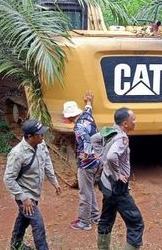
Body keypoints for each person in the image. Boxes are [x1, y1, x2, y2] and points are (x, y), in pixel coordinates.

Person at [4, 119, 62, 250]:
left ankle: (16, 245)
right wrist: (24, 198)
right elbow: (8, 179)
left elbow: (47, 164)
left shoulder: (41, 146)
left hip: (35, 193)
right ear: (30, 136)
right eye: (39, 134)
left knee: (23, 219)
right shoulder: (17, 153)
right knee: (38, 224)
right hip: (24, 195)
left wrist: (55, 182)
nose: (42, 136)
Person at [97, 107, 144, 250]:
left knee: (106, 219)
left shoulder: (110, 131)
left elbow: (94, 140)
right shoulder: (122, 138)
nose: (136, 122)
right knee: (136, 223)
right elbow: (112, 156)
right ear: (125, 123)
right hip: (118, 187)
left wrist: (99, 156)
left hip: (107, 185)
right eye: (133, 119)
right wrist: (117, 174)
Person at [63, 90, 100, 231]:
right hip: (97, 161)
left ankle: (84, 222)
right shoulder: (87, 116)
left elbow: (86, 142)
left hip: (87, 163)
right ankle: (95, 215)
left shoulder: (78, 127)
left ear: (70, 116)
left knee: (84, 192)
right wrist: (89, 101)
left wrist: (84, 157)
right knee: (89, 188)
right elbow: (88, 109)